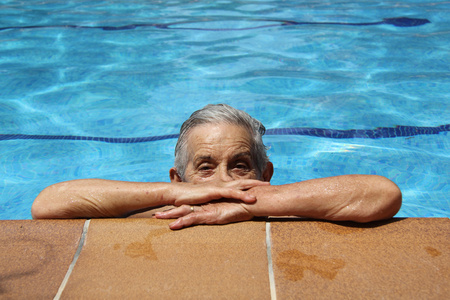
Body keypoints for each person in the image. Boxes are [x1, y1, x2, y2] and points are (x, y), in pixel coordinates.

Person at [32, 104, 402, 229]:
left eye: (240, 165)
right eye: (205, 167)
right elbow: (48, 204)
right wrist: (174, 194)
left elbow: (382, 194)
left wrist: (250, 205)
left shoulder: (286, 208)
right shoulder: (164, 207)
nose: (223, 181)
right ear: (179, 177)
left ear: (265, 175)